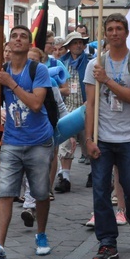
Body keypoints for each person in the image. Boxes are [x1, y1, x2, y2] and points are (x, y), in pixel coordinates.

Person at [0, 25, 55, 259]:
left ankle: (41, 233)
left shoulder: (38, 69)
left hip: (38, 141)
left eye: (23, 36)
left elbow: (35, 104)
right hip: (11, 142)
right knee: (5, 193)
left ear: (30, 43)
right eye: (14, 36)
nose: (18, 39)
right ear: (8, 43)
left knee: (41, 193)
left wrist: (11, 83)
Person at [84, 13, 130, 259]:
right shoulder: (94, 65)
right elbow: (90, 104)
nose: (114, 33)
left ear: (126, 32)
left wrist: (107, 80)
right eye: (110, 29)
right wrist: (89, 139)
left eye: (118, 28)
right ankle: (107, 242)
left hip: (129, 137)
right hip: (102, 137)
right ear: (105, 33)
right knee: (100, 191)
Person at [56, 31, 91, 192]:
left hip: (86, 107)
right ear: (69, 46)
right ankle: (65, 178)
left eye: (80, 42)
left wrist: (90, 100)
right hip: (67, 108)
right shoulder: (61, 63)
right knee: (65, 144)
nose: (78, 45)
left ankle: (94, 173)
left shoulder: (90, 62)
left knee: (89, 142)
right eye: (75, 42)